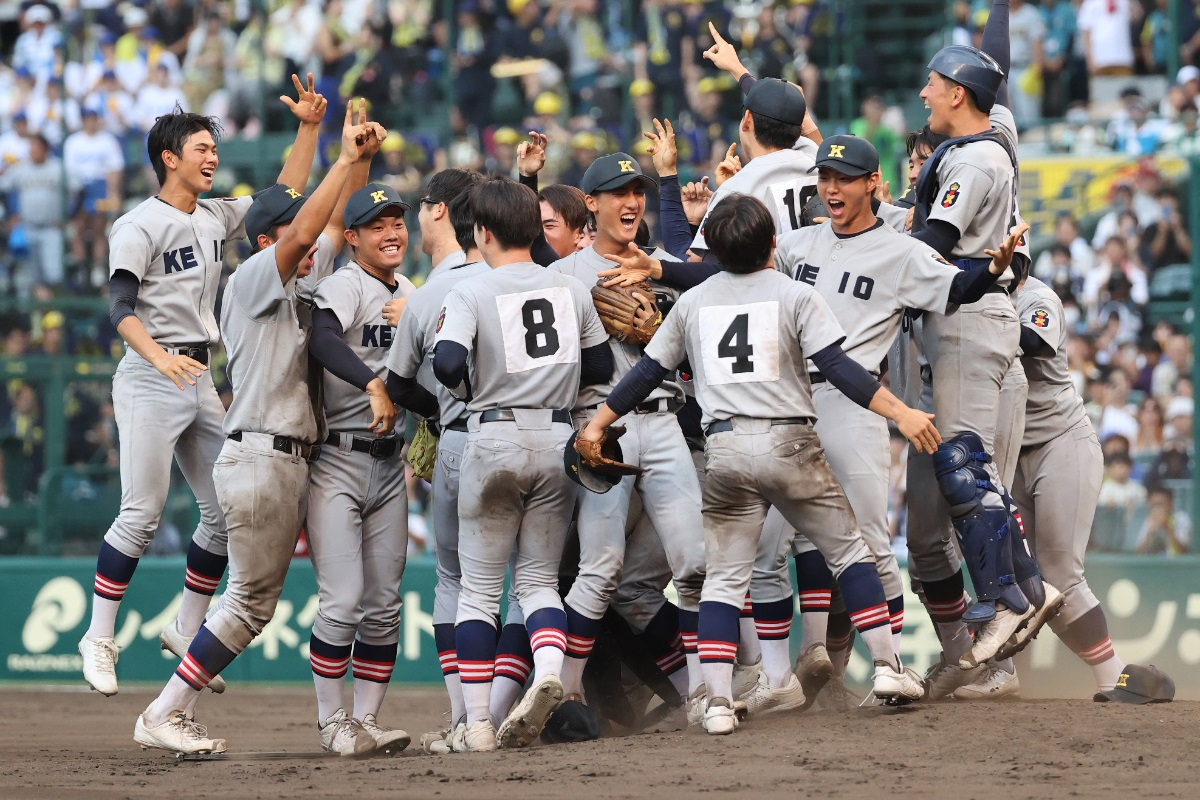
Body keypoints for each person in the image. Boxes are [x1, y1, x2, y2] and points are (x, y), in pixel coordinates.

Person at [577, 193, 939, 735]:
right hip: (790, 442)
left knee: (723, 581)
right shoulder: (795, 293)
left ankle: (719, 703)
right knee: (848, 552)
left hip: (724, 450)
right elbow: (841, 369)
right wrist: (901, 412)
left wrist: (599, 421)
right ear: (774, 244)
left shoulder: (693, 303)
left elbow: (646, 373)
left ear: (716, 252)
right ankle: (888, 667)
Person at [132, 101, 381, 754]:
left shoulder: (300, 282)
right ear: (268, 238)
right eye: (294, 229)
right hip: (261, 457)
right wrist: (342, 158)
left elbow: (333, 230)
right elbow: (306, 234)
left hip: (288, 459)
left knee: (253, 603)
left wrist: (362, 158)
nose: (310, 238)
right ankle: (165, 710)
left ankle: (174, 701)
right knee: (249, 606)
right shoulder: (251, 280)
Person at [77, 75, 330, 699]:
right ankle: (98, 635)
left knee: (221, 516)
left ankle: (186, 627)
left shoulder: (216, 215)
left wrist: (308, 129)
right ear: (170, 158)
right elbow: (118, 306)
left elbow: (283, 197)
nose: (213, 157)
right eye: (202, 149)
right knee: (142, 512)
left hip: (197, 376)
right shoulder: (138, 224)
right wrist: (157, 356)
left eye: (213, 149)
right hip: (149, 371)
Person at [763, 134, 1028, 708]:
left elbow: (956, 287)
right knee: (772, 543)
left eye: (844, 178)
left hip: (854, 403)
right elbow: (742, 270)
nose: (831, 188)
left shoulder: (900, 251)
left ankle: (890, 668)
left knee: (871, 543)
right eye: (825, 177)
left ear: (872, 184)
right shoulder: (798, 245)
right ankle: (782, 675)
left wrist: (990, 270)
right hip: (788, 403)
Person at [430, 176, 613, 751]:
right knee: (537, 583)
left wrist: (473, 381)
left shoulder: (472, 290)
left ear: (482, 232)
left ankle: (478, 723)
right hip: (556, 436)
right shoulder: (569, 289)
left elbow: (447, 363)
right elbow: (602, 363)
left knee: (481, 591)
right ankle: (552, 674)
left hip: (493, 433)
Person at [907, 10, 1060, 685]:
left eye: (933, 84)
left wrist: (870, 263)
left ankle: (1005, 599)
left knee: (966, 470)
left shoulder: (974, 159)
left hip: (970, 323)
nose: (924, 94)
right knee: (974, 474)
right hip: (973, 319)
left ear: (958, 94)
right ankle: (1029, 589)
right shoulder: (982, 148)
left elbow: (933, 249)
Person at [305, 176, 434, 755]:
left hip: (390, 465)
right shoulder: (346, 283)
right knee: (344, 599)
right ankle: (332, 723)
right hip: (338, 458)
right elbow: (321, 341)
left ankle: (366, 720)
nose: (391, 233)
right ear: (352, 237)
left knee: (383, 603)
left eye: (397, 223)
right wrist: (374, 382)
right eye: (376, 226)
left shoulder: (411, 288)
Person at [386, 187, 494, 754]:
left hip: (459, 441)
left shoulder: (430, 296)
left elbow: (399, 384)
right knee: (532, 578)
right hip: (540, 435)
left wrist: (437, 413)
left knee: (455, 580)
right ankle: (517, 700)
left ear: (439, 210)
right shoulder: (519, 275)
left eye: (421, 207)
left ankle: (467, 717)